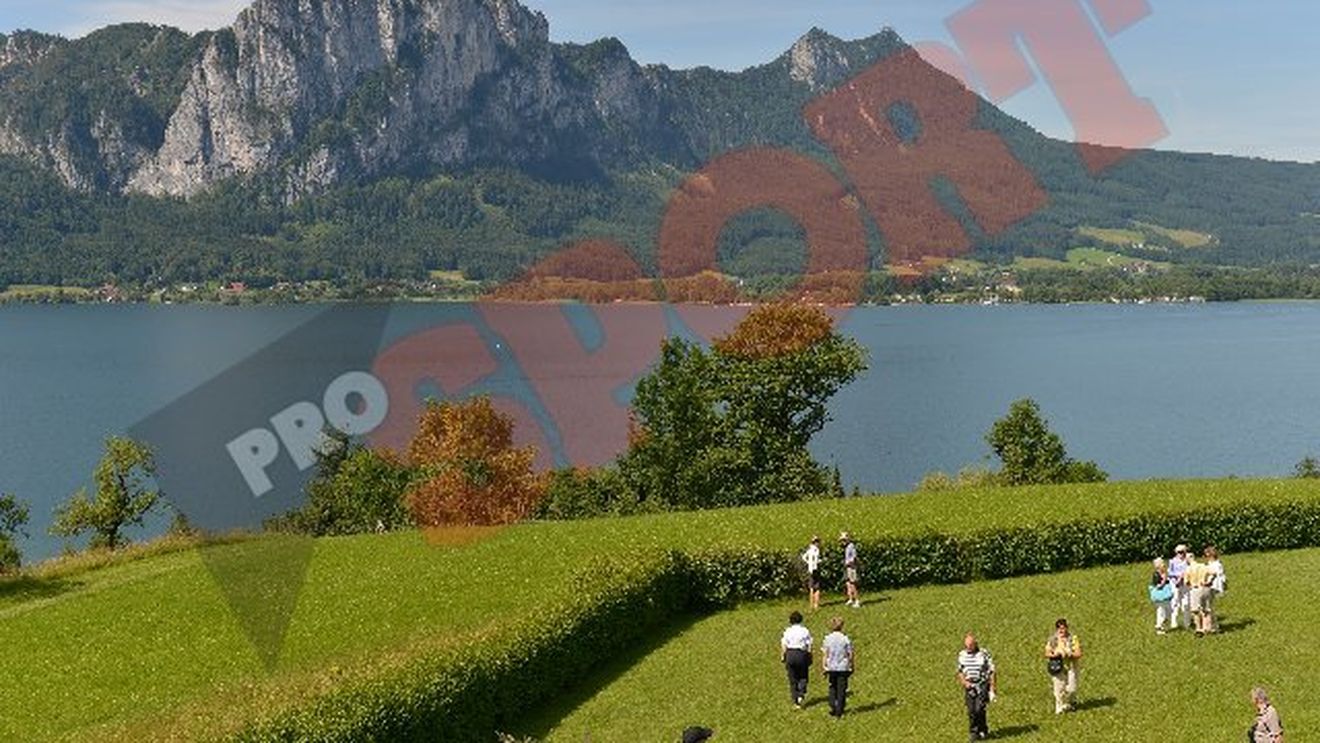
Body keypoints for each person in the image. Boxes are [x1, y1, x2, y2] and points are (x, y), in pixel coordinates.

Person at [957, 633, 997, 742]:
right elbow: (960, 672)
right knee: (971, 710)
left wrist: (992, 689)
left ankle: (982, 729)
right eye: (966, 646)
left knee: (979, 709)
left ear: (975, 644)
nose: (968, 648)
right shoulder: (962, 655)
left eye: (970, 646)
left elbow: (992, 671)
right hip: (969, 686)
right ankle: (974, 732)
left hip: (982, 684)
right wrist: (965, 683)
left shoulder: (983, 654)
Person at [1044, 618, 1082, 713]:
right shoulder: (1053, 639)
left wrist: (1070, 654)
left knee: (1072, 688)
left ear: (1066, 628)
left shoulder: (1073, 638)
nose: (1061, 630)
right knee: (1058, 687)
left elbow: (1078, 653)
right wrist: (1055, 654)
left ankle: (1070, 702)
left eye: (1063, 628)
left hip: (1071, 666)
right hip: (1058, 665)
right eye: (1059, 628)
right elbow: (1047, 653)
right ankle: (1059, 706)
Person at [821, 616, 855, 718]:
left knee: (832, 687)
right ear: (842, 626)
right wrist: (852, 665)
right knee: (842, 689)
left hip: (831, 667)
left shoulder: (827, 639)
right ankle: (840, 709)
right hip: (843, 667)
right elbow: (850, 653)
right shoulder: (845, 639)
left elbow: (825, 654)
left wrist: (824, 666)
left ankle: (832, 705)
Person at [780, 610, 813, 708]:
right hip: (801, 654)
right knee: (803, 675)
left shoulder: (787, 631)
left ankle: (795, 700)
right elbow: (809, 644)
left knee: (792, 677)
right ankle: (801, 693)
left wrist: (783, 655)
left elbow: (784, 644)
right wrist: (810, 655)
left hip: (790, 653)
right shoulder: (805, 630)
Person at [1185, 548, 1213, 637]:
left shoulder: (1188, 569)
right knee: (1206, 610)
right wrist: (1208, 581)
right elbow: (1213, 573)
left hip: (1195, 589)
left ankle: (1198, 628)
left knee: (1195, 611)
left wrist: (1190, 585)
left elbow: (1186, 582)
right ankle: (1207, 627)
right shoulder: (1203, 566)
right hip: (1205, 588)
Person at [1168, 544, 1192, 630]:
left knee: (1186, 603)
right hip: (1175, 584)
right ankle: (1174, 622)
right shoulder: (1172, 561)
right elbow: (1170, 573)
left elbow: (1191, 570)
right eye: (1179, 552)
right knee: (1175, 602)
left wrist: (1183, 576)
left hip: (1186, 584)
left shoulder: (1188, 560)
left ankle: (1187, 623)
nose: (1181, 554)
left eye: (1183, 552)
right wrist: (1178, 577)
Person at [1150, 557, 1174, 635]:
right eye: (1162, 564)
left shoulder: (1163, 573)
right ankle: (1159, 626)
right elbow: (1159, 585)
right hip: (1161, 596)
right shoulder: (1156, 574)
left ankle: (1163, 626)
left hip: (1166, 597)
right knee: (1161, 611)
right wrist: (1165, 578)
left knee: (1168, 611)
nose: (1164, 565)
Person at [1205, 545, 1226, 633]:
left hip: (1213, 586)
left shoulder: (1215, 565)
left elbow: (1214, 576)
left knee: (1209, 606)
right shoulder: (1215, 564)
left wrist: (1207, 582)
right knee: (1209, 605)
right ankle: (1212, 625)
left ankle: (1212, 626)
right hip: (1213, 586)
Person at [840, 531, 860, 608]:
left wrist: (848, 563)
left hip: (851, 567)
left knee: (852, 584)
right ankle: (851, 599)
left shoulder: (851, 546)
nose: (843, 542)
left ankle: (857, 601)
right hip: (847, 567)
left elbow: (854, 557)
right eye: (842, 540)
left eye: (844, 540)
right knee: (848, 583)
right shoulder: (847, 547)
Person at [802, 536, 822, 611]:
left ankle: (811, 604)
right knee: (816, 588)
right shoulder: (816, 550)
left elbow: (804, 557)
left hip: (810, 570)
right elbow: (816, 560)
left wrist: (808, 563)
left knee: (811, 588)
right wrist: (818, 562)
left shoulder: (809, 550)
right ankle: (815, 604)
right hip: (815, 569)